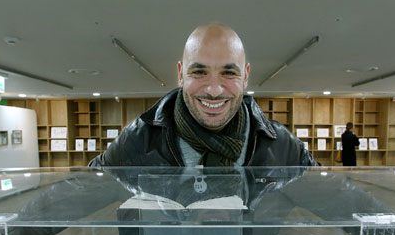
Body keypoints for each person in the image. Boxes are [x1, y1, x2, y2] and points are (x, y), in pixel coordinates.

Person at [90, 23, 316, 168]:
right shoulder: (139, 140)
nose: (214, 90)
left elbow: (333, 199)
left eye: (229, 73)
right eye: (199, 72)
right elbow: (86, 190)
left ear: (245, 76)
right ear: (180, 74)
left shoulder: (280, 145)